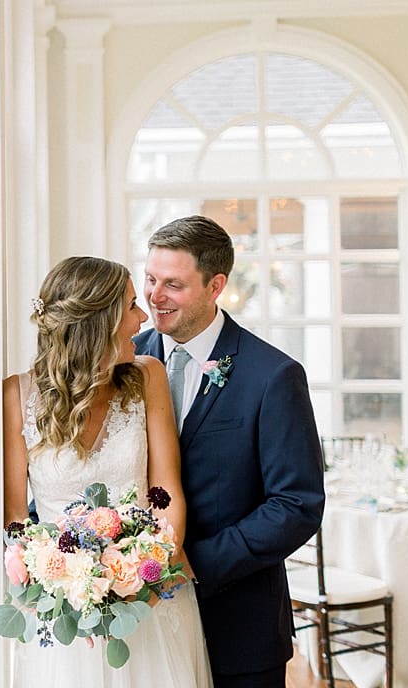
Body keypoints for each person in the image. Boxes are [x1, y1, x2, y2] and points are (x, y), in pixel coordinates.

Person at [133, 215, 325, 688]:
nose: (154, 297)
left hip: (239, 624)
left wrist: (192, 562)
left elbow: (297, 504)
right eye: (151, 279)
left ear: (215, 285)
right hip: (140, 624)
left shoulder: (273, 375)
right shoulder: (123, 361)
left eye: (173, 285)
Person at [3, 256, 213, 687]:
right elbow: (16, 521)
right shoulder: (15, 395)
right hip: (63, 613)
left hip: (152, 599)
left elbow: (166, 490)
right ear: (98, 322)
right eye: (132, 306)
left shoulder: (147, 377)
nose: (142, 318)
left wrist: (149, 576)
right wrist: (57, 583)